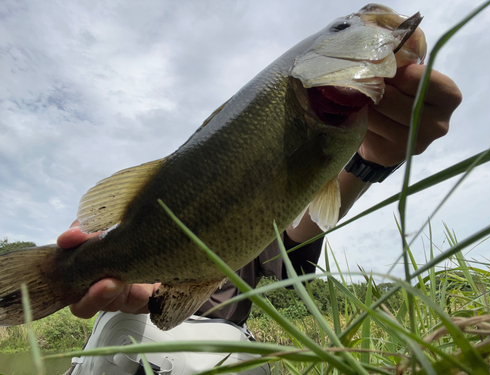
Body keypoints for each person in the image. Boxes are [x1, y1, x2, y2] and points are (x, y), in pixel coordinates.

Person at [61, 65, 462, 374]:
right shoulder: (159, 208)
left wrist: (369, 162)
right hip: (132, 323)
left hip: (218, 343)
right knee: (117, 328)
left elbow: (301, 229)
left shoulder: (264, 201)